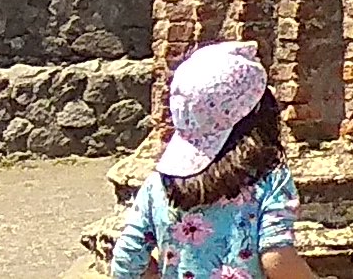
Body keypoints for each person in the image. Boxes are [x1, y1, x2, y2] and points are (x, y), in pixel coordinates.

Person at [109, 40, 310, 279]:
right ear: (257, 112)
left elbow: (126, 258)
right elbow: (276, 258)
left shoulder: (159, 184)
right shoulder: (269, 179)